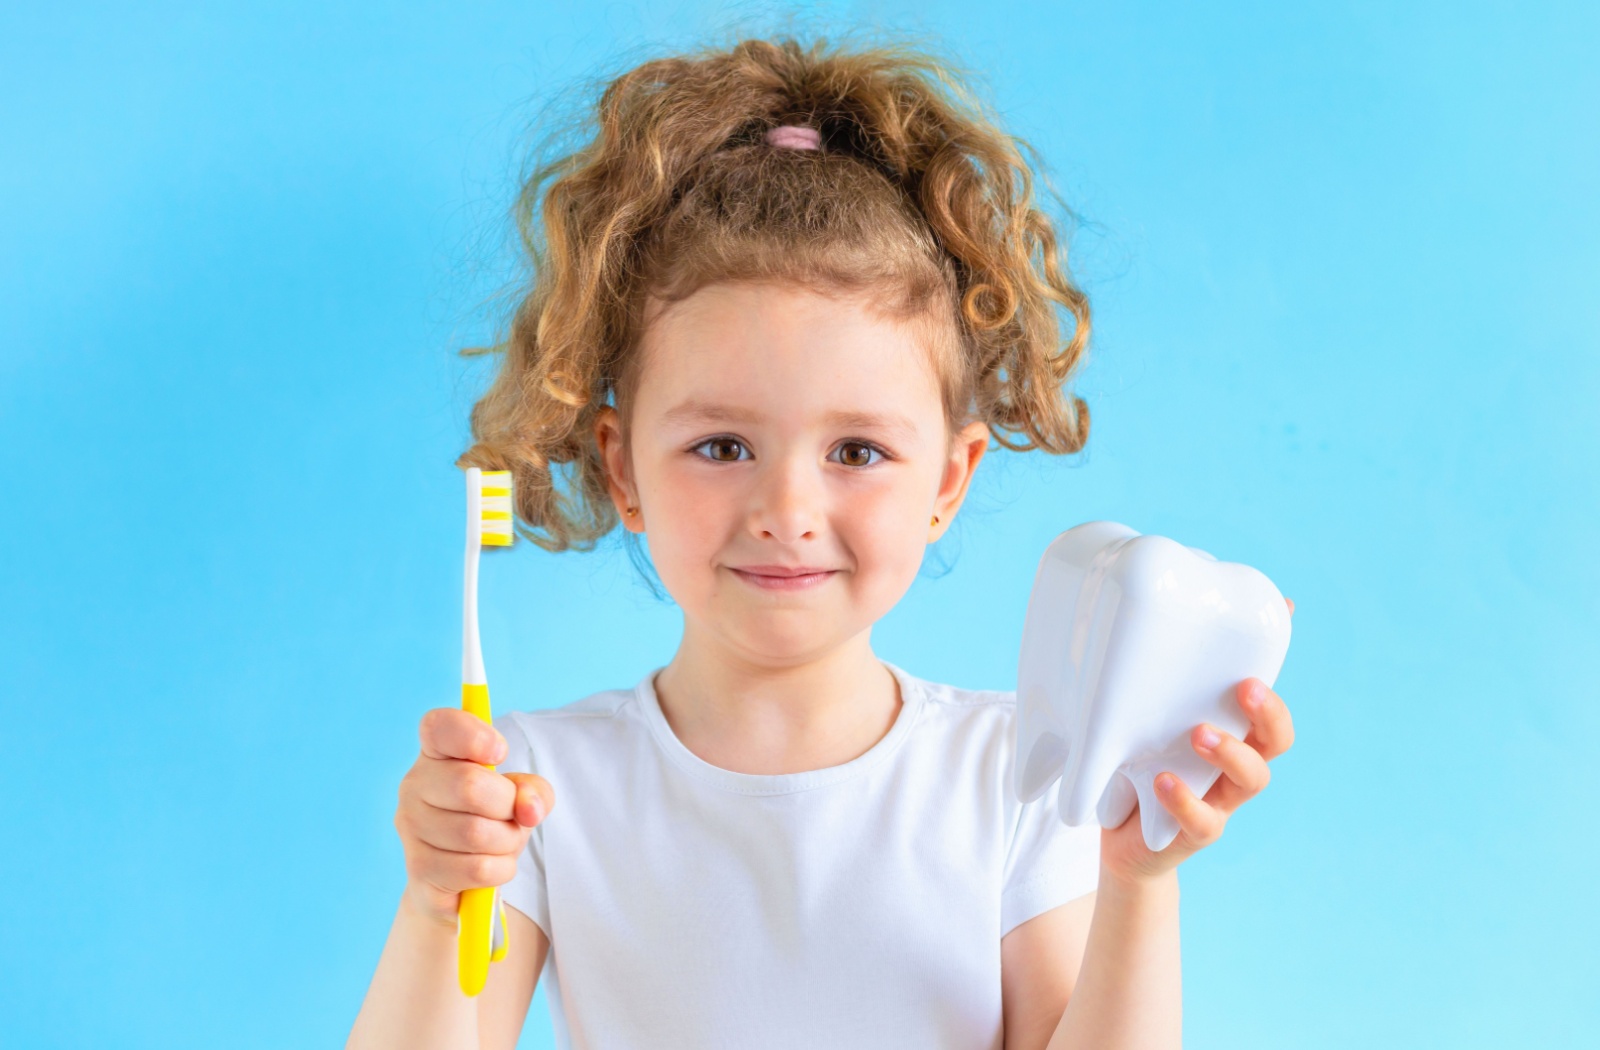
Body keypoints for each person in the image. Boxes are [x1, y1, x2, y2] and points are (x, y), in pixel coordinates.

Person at [349, 34, 1296, 1050]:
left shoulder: (1018, 775)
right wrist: (441, 899)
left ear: (947, 480)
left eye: (854, 449)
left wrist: (1136, 880)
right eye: (721, 445)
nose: (785, 508)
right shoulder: (538, 787)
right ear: (621, 468)